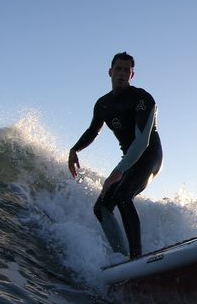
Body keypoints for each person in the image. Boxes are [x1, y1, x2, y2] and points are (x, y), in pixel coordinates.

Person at [68, 52, 163, 260]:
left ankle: (136, 258)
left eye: (126, 70)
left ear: (132, 75)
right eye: (118, 69)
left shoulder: (142, 98)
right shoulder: (103, 104)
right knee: (101, 207)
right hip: (129, 159)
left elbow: (142, 141)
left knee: (122, 195)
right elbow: (93, 131)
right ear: (110, 72)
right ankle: (122, 259)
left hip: (149, 155)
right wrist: (74, 149)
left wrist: (119, 171)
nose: (122, 73)